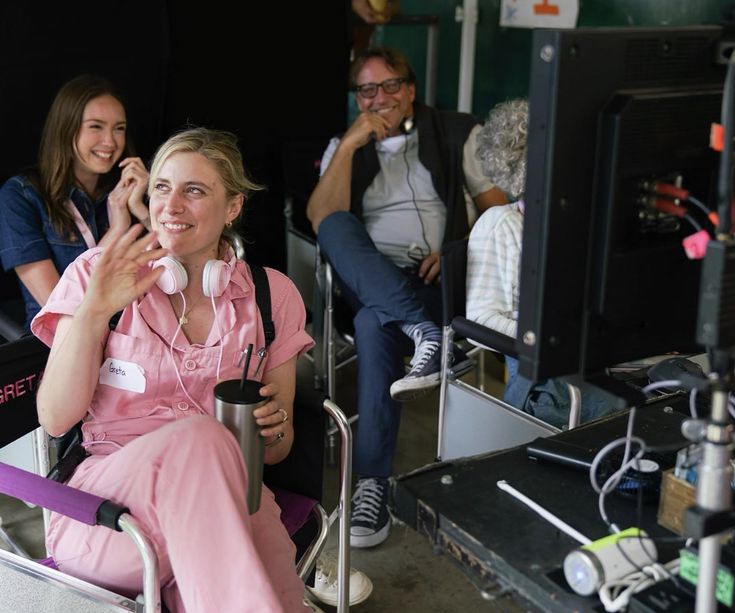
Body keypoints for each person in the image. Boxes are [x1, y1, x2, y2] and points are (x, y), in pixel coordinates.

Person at [31, 127, 315, 612]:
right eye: (161, 187)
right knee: (204, 437)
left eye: (195, 191)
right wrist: (94, 312)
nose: (170, 205)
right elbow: (56, 418)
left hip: (228, 503)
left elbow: (276, 451)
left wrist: (273, 428)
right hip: (109, 520)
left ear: (233, 207)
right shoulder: (95, 275)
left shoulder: (272, 296)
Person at [306, 46, 506, 548]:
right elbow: (319, 217)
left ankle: (370, 484)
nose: (380, 98)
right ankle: (425, 332)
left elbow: (499, 212)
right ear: (357, 98)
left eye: (390, 85)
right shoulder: (345, 143)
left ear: (411, 89)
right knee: (335, 225)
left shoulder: (458, 131)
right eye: (367, 90)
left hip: (436, 278)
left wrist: (458, 247)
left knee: (376, 324)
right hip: (374, 272)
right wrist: (350, 144)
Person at [467, 99, 617, 428]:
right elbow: (479, 321)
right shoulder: (500, 225)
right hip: (546, 380)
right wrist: (543, 338)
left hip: (595, 359)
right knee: (628, 420)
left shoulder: (579, 224)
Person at [0, 74, 150, 328]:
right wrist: (117, 230)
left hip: (133, 343)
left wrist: (144, 210)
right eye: (96, 126)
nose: (111, 142)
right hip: (59, 347)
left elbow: (183, 270)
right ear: (65, 127)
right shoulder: (20, 196)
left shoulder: (129, 191)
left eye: (119, 128)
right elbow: (58, 306)